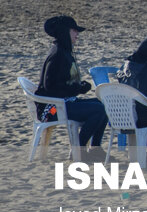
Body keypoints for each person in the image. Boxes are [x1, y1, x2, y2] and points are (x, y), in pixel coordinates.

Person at [36, 15, 108, 161]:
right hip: (51, 109)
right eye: (74, 31)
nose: (77, 34)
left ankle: (95, 148)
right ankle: (78, 151)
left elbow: (63, 84)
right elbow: (50, 87)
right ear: (64, 32)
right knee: (98, 110)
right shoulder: (57, 54)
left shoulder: (63, 51)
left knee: (104, 105)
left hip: (63, 102)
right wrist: (77, 89)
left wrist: (78, 87)